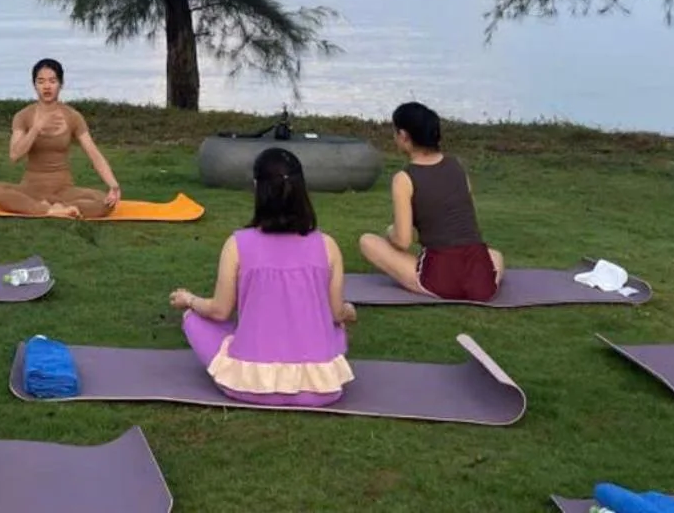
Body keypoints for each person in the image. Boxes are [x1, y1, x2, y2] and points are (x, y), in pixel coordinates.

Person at [169, 147, 357, 407]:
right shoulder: (327, 246)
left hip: (249, 384)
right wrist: (348, 311)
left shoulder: (237, 244)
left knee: (194, 319)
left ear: (258, 188)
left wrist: (189, 299)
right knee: (337, 327)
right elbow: (336, 314)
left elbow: (219, 310)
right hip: (320, 388)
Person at [357, 101, 504, 301]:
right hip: (481, 278)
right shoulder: (457, 166)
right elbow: (460, 215)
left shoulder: (404, 179)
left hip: (440, 279)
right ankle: (469, 278)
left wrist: (390, 232)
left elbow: (402, 241)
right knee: (494, 255)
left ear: (403, 136)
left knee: (367, 242)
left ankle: (439, 276)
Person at [0, 58, 122, 219]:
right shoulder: (23, 116)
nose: (47, 86)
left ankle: (57, 207)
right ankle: (51, 210)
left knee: (104, 201)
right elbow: (14, 155)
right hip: (30, 189)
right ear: (34, 85)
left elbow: (93, 153)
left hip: (63, 190)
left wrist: (113, 184)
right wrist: (36, 128)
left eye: (52, 81)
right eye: (41, 81)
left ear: (60, 84)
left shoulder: (73, 117)